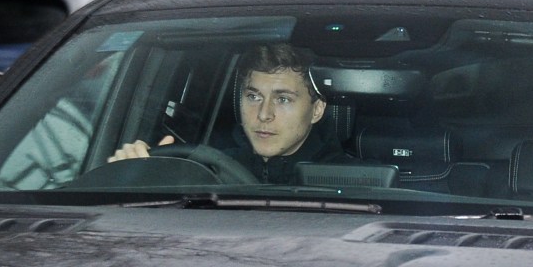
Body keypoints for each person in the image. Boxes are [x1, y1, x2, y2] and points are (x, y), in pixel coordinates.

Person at [108, 42, 351, 183]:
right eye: (253, 97)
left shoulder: (354, 181)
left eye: (283, 99)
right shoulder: (202, 172)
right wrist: (128, 179)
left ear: (317, 110)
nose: (264, 114)